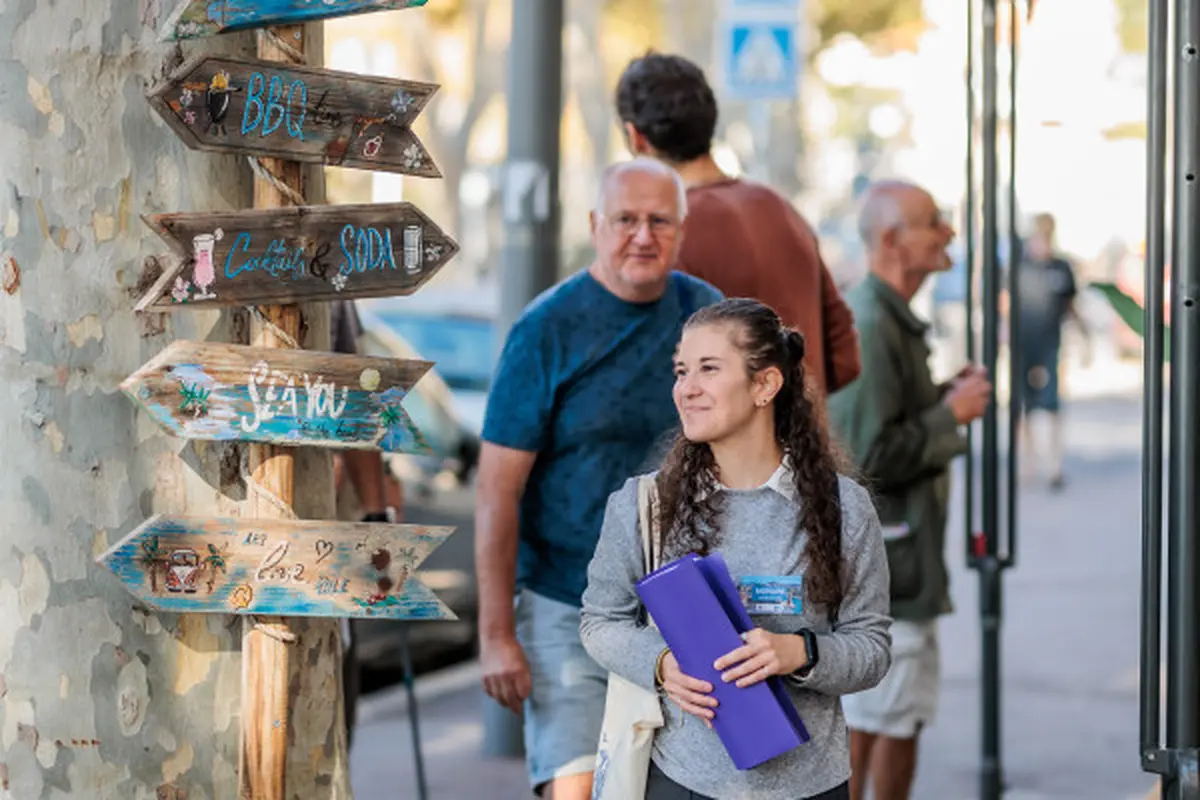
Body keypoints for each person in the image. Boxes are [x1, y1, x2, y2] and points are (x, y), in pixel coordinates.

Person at [475, 157, 723, 799]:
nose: (642, 235)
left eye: (659, 221)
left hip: (687, 602)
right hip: (570, 600)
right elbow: (497, 490)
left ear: (682, 229)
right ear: (595, 225)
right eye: (625, 220)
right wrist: (497, 635)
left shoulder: (707, 316)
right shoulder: (546, 329)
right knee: (579, 787)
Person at [580, 298, 892, 799]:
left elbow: (872, 649)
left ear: (765, 384)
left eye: (708, 369)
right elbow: (600, 621)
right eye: (682, 371)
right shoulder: (645, 505)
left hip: (812, 785)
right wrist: (662, 664)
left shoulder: (844, 508)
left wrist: (800, 652)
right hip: (681, 782)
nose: (687, 388)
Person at [827, 180, 992, 800]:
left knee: (890, 718)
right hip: (890, 570)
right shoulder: (872, 321)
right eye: (934, 221)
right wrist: (950, 416)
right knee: (882, 722)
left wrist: (943, 399)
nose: (949, 231)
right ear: (892, 239)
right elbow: (865, 457)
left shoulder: (886, 317)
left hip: (899, 563)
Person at [615, 51, 861, 397]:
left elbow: (647, 377)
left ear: (636, 137)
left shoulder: (664, 237)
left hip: (715, 434)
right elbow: (844, 358)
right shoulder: (781, 210)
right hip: (802, 428)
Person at [1013, 212, 1089, 491]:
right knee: (1022, 405)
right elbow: (1003, 302)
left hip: (1050, 344)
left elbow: (1071, 305)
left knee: (1052, 403)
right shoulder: (1019, 267)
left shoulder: (1060, 267)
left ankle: (1054, 465)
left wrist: (1084, 338)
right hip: (1022, 344)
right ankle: (1027, 462)